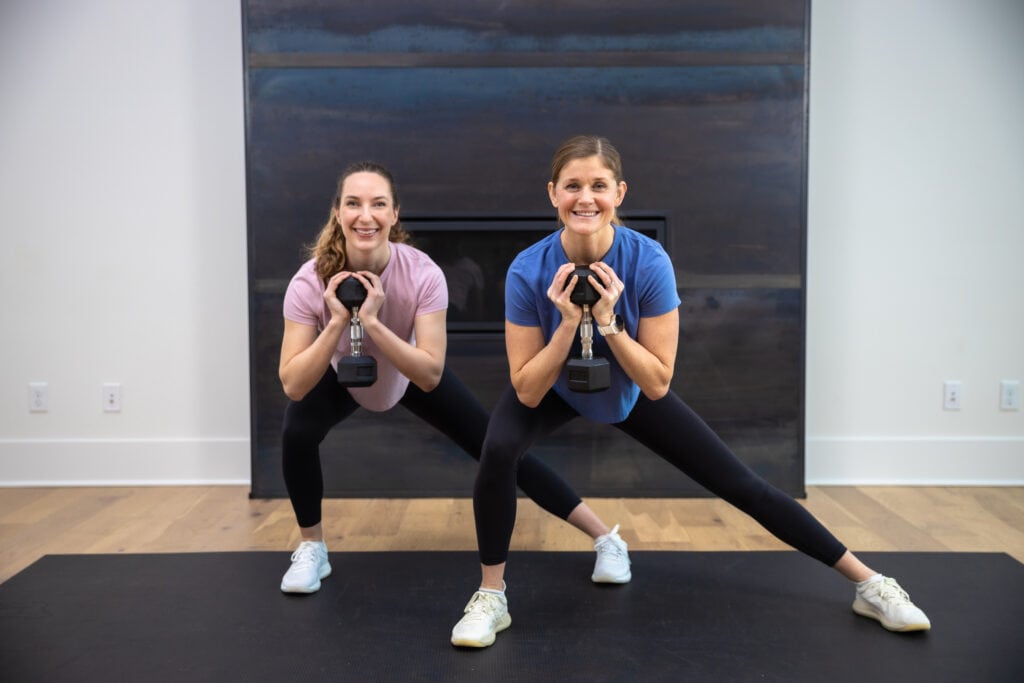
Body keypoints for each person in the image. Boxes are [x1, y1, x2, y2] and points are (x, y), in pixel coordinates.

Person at [450, 135, 930, 647]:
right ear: (553, 194)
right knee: (498, 449)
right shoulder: (528, 269)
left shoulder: (648, 261)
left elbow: (657, 381)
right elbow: (525, 390)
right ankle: (491, 596)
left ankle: (869, 583)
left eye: (598, 185)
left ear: (620, 193)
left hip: (631, 385)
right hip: (554, 385)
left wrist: (610, 323)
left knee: (741, 484)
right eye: (572, 186)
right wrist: (567, 325)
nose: (585, 198)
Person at [277, 160, 631, 594]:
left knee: (498, 447)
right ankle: (312, 548)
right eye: (353, 203)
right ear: (337, 212)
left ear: (394, 214)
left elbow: (429, 374)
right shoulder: (308, 281)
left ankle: (604, 537)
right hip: (339, 368)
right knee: (297, 430)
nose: (365, 215)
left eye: (378, 204)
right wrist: (335, 323)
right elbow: (293, 383)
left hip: (406, 366)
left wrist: (371, 324)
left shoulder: (423, 273)